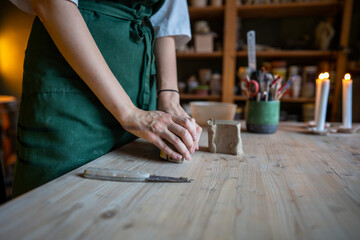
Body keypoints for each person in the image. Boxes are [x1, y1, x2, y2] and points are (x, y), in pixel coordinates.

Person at [10, 0, 202, 196]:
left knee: (130, 202)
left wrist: (169, 99)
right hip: (69, 89)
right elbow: (51, 3)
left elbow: (166, 21)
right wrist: (129, 113)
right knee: (56, 201)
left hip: (139, 92)